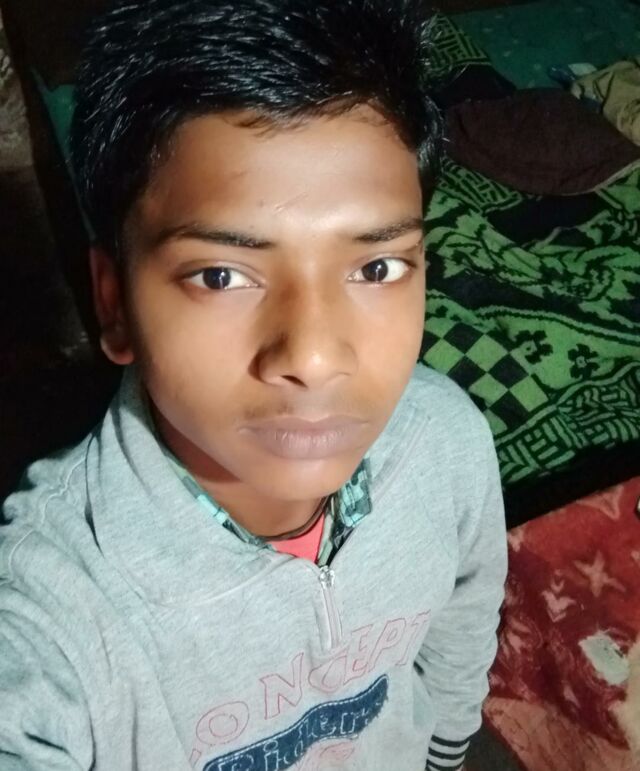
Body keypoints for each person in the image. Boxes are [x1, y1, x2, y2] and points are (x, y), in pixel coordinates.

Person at [0, 1, 507, 769]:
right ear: (114, 304)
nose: (314, 356)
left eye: (376, 267)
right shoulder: (53, 611)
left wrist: (443, 753)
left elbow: (463, 621)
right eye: (221, 275)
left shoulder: (446, 442)